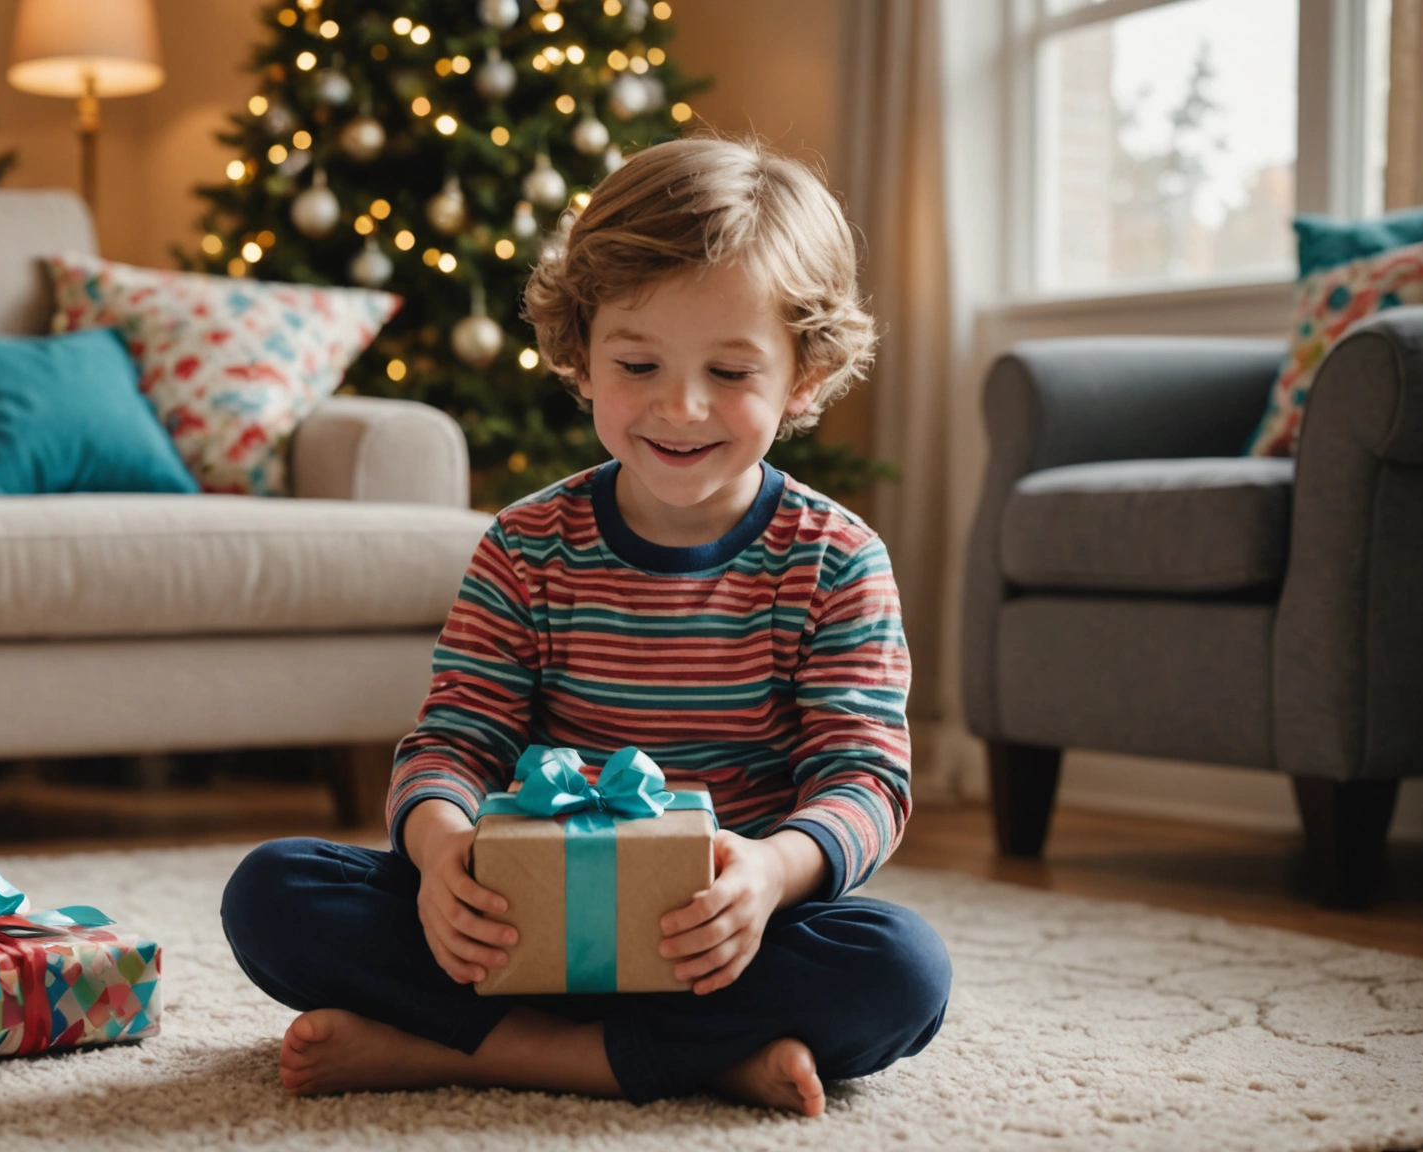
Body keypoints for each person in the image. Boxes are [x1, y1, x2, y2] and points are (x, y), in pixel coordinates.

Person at [220, 136, 950, 1115]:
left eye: (731, 371)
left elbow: (862, 775)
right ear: (580, 354)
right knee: (272, 892)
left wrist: (770, 875)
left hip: (718, 940)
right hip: (520, 927)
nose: (680, 407)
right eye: (638, 362)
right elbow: (454, 739)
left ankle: (476, 1054)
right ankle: (694, 1063)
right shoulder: (526, 547)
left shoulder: (834, 559)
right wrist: (443, 859)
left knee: (899, 969)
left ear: (804, 377)